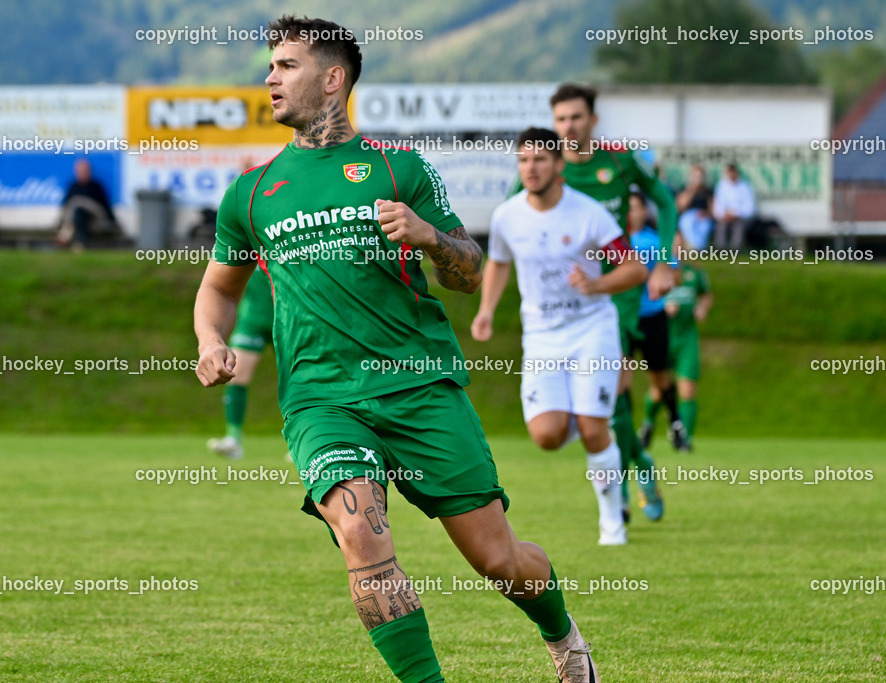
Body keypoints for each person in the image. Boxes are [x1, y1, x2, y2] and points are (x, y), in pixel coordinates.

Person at [195, 16, 599, 683]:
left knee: (498, 560)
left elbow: (469, 272)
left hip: (419, 387)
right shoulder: (252, 192)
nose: (270, 78)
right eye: (270, 65)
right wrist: (210, 339)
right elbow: (217, 288)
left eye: (287, 65)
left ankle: (564, 638)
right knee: (361, 535)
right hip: (322, 400)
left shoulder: (397, 168)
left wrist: (429, 238)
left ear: (333, 78)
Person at [472, 127, 648, 546]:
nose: (530, 168)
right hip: (541, 336)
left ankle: (612, 523)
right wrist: (486, 311)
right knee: (547, 436)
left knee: (593, 428)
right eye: (523, 160)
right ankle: (587, 416)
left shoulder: (588, 213)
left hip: (592, 329)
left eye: (539, 159)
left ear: (558, 165)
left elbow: (634, 268)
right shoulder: (507, 216)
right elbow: (498, 262)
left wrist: (596, 284)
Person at [512, 83, 672, 522]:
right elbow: (512, 219)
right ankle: (637, 467)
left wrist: (662, 262)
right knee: (609, 400)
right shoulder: (543, 166)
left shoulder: (619, 161)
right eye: (560, 119)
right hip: (563, 304)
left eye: (576, 117)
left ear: (593, 120)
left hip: (615, 293)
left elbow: (663, 200)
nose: (568, 126)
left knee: (615, 390)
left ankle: (620, 489)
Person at [627, 192, 688, 451]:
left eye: (636, 207)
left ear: (645, 211)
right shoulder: (613, 240)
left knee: (660, 378)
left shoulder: (654, 242)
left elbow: (676, 274)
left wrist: (664, 284)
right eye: (628, 207)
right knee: (620, 378)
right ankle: (624, 433)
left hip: (652, 317)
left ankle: (675, 423)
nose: (632, 213)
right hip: (623, 318)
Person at [642, 231, 713, 452]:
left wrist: (702, 308)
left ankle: (683, 439)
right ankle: (647, 425)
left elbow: (706, 295)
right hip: (663, 334)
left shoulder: (693, 273)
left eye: (680, 245)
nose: (677, 250)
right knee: (658, 390)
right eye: (673, 246)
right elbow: (646, 299)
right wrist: (663, 305)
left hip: (686, 337)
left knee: (687, 390)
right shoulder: (656, 272)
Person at [206, 267, 275, 460]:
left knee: (297, 379)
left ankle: (303, 440)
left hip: (286, 318)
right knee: (235, 374)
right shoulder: (244, 249)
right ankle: (233, 440)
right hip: (252, 319)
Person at [58, 159, 116, 249]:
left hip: (94, 218)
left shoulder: (96, 186)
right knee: (79, 212)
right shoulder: (73, 186)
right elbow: (65, 205)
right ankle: (79, 242)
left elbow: (104, 205)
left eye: (84, 171)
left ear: (89, 171)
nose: (82, 173)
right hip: (78, 219)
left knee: (78, 204)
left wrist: (112, 221)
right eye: (80, 171)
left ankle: (65, 235)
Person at [712, 163, 755, 250]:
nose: (731, 175)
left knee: (738, 226)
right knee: (721, 225)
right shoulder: (721, 186)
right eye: (729, 173)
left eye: (733, 173)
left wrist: (735, 214)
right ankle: (721, 250)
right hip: (725, 217)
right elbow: (717, 207)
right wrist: (724, 215)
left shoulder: (745, 187)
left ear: (737, 173)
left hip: (741, 218)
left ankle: (735, 250)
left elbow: (750, 209)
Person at [675, 164, 713, 251]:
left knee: (704, 227)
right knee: (687, 224)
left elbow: (713, 209)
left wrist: (705, 213)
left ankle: (697, 248)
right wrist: (692, 190)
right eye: (695, 176)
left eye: (700, 176)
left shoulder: (708, 191)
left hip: (703, 216)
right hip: (688, 215)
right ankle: (696, 248)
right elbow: (681, 206)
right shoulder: (685, 188)